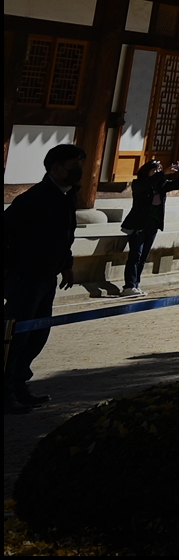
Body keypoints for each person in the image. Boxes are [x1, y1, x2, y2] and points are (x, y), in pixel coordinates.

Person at [4, 142, 84, 411]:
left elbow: (65, 234)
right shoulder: (34, 198)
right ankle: (5, 392)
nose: (79, 171)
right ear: (56, 168)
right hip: (25, 277)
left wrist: (66, 264)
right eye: (74, 166)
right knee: (15, 337)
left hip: (48, 276)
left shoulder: (68, 195)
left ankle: (19, 384)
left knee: (37, 336)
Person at [121, 158, 179, 294]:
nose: (158, 171)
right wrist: (162, 174)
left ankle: (136, 284)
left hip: (153, 224)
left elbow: (177, 184)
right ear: (147, 171)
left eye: (159, 169)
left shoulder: (161, 185)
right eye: (154, 170)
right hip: (139, 224)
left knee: (143, 256)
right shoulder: (139, 184)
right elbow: (146, 184)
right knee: (135, 255)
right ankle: (129, 286)